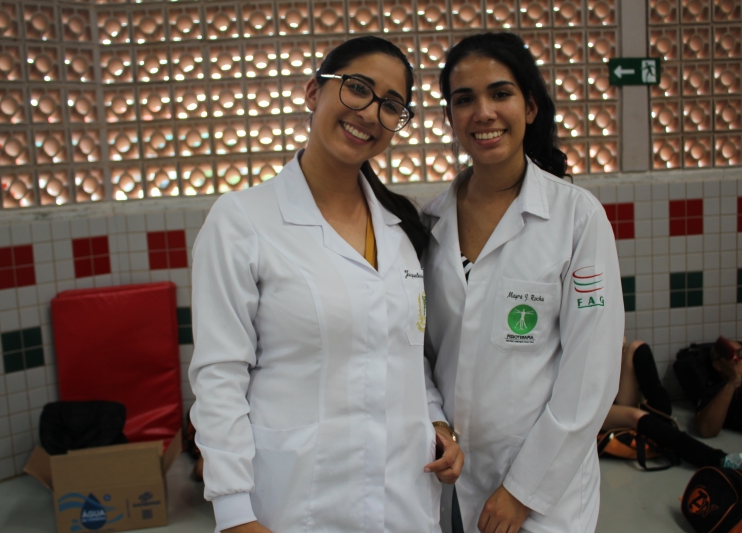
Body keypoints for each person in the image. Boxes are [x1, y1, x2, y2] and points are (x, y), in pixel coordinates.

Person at [189, 36, 463, 533]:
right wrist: (232, 511)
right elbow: (219, 376)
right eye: (357, 88)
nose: (370, 113)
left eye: (391, 105)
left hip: (404, 495)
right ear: (314, 92)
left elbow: (404, 354)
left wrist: (436, 420)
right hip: (295, 500)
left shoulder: (401, 229)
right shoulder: (242, 221)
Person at [422, 32, 623, 533]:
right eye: (464, 99)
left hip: (543, 490)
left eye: (500, 93)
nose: (483, 112)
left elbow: (591, 374)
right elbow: (417, 349)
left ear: (530, 107)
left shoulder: (576, 218)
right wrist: (434, 418)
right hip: (449, 476)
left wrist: (521, 492)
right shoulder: (429, 223)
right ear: (449, 117)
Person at [604, 339, 742, 469]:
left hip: (607, 400)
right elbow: (706, 428)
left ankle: (660, 422)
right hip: (592, 408)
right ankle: (720, 459)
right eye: (735, 356)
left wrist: (619, 353)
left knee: (638, 347)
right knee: (636, 416)